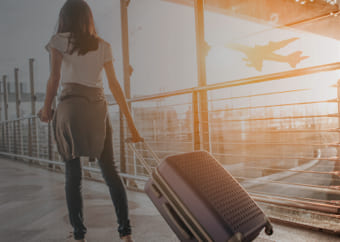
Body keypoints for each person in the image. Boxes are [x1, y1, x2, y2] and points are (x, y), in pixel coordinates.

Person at [38, 0, 142, 241]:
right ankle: (125, 234)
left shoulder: (58, 41)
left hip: (70, 108)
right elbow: (115, 87)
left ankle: (79, 235)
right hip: (97, 110)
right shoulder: (103, 46)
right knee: (111, 173)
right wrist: (132, 126)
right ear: (89, 19)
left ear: (64, 18)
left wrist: (46, 109)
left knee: (73, 176)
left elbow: (54, 79)